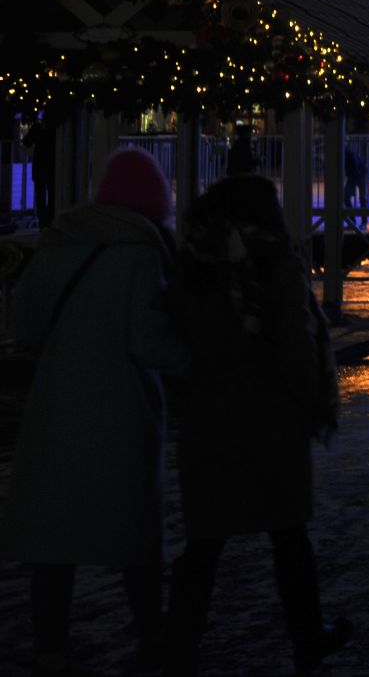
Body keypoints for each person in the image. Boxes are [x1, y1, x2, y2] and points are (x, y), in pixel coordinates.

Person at [1, 148, 190, 676]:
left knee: (54, 541)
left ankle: (49, 646)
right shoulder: (143, 254)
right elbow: (150, 342)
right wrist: (199, 361)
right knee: (134, 537)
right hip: (122, 413)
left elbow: (27, 327)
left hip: (56, 410)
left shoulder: (56, 245)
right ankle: (150, 637)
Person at [164, 175, 350, 676]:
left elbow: (177, 337)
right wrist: (309, 399)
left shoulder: (195, 263)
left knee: (203, 545)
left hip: (210, 419)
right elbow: (294, 341)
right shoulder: (275, 263)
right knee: (289, 540)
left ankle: (179, 647)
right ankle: (307, 638)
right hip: (270, 421)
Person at [25, 112, 57, 227]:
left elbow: (27, 142)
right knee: (52, 194)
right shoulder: (55, 129)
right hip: (51, 166)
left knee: (40, 195)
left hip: (40, 166)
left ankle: (43, 221)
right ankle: (49, 219)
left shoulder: (38, 128)